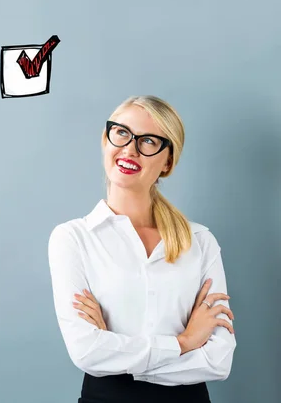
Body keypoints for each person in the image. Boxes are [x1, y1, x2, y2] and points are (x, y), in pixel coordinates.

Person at [47, 95, 236, 403]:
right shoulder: (72, 238)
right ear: (105, 141)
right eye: (121, 133)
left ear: (168, 162)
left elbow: (218, 360)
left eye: (148, 141)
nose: (130, 149)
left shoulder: (200, 242)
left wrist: (118, 352)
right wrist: (185, 342)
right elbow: (87, 352)